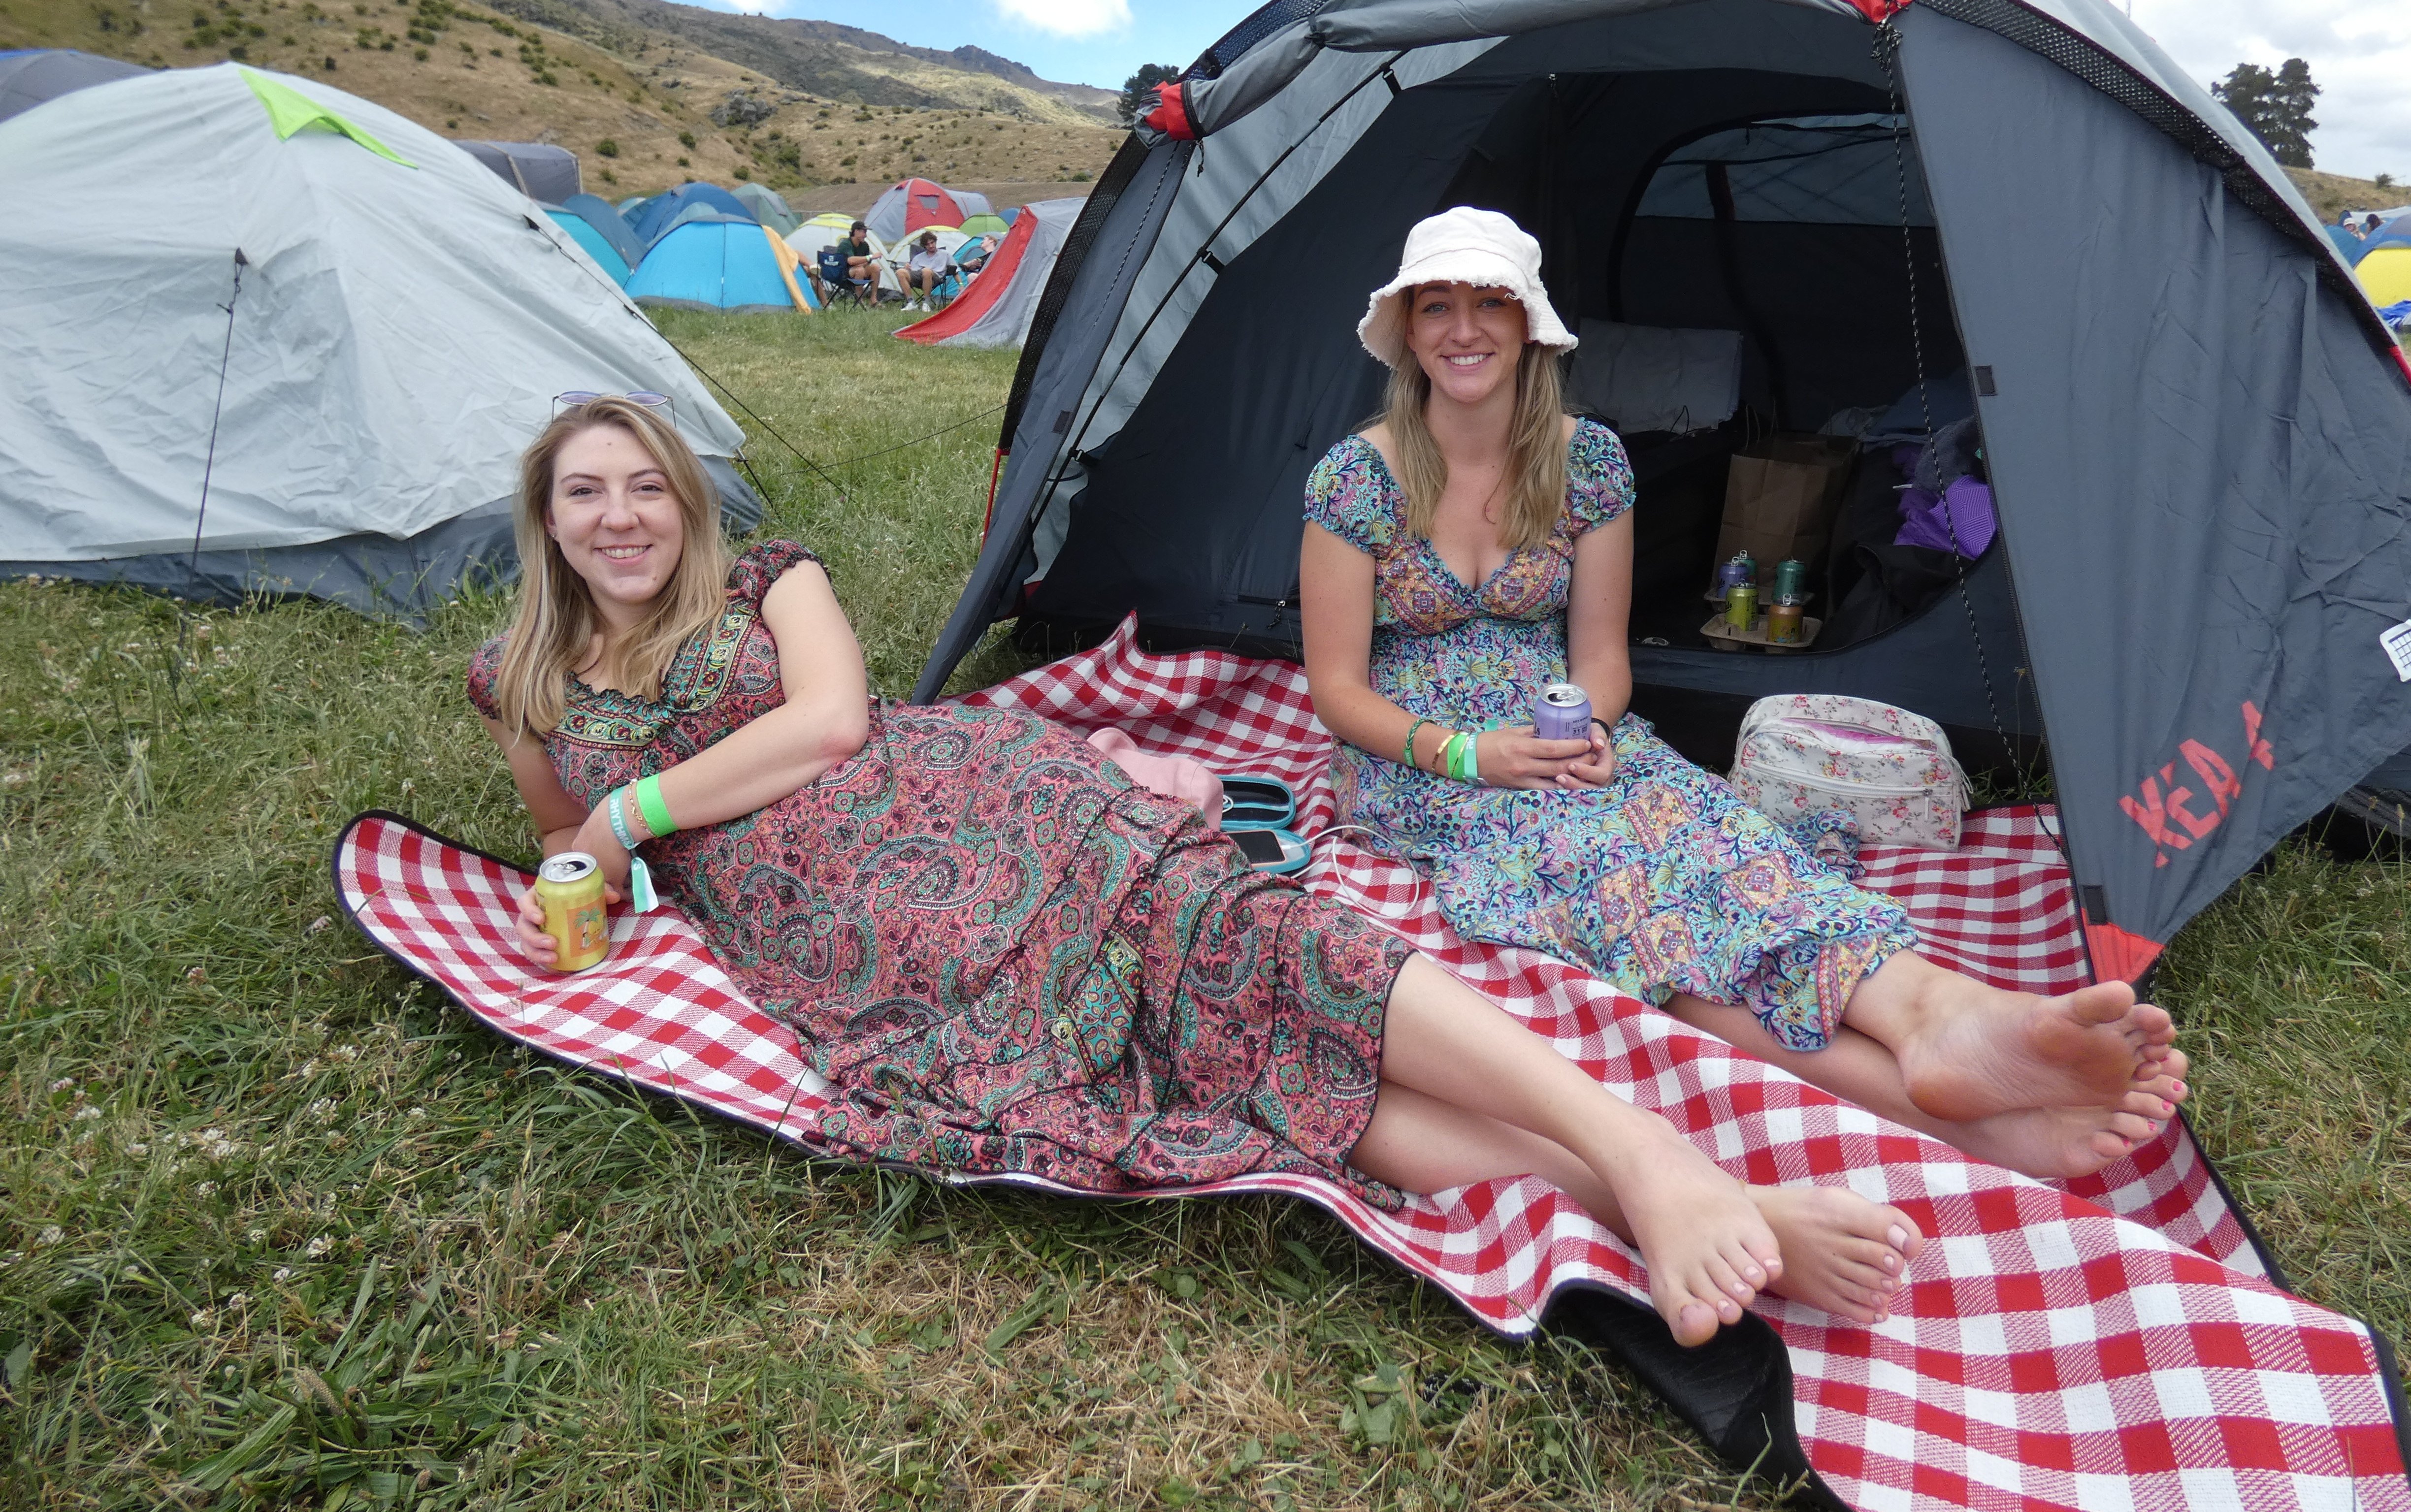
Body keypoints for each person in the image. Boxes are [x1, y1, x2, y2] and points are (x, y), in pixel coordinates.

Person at [473, 394, 1928, 1347]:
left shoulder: (764, 579)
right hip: (840, 924)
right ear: (549, 515)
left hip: (956, 804)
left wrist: (635, 813)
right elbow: (563, 842)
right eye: (587, 493)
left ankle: (1648, 1154)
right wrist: (588, 866)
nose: (621, 517)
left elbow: (835, 721)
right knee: (1224, 1075)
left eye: (645, 486)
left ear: (684, 500)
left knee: (1239, 936)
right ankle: (1657, 1199)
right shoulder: (523, 680)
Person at [1296, 208, 2188, 1183]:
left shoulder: (1586, 462)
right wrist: (1471, 755)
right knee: (1625, 894)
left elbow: (1601, 657)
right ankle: (1950, 1107)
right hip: (1420, 761)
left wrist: (1588, 727)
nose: (1462, 329)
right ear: (1409, 329)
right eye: (1437, 306)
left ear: (1528, 327)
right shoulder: (1358, 479)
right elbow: (1336, 691)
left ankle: (1942, 1016)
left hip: (1561, 731)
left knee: (1720, 836)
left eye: (1488, 303)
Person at [902, 230, 952, 311]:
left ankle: (927, 303)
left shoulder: (945, 254)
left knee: (927, 271)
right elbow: (913, 270)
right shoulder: (918, 257)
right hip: (920, 278)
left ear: (936, 242)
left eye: (932, 243)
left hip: (936, 279)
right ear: (924, 246)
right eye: (928, 245)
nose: (931, 246)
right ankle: (911, 303)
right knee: (901, 272)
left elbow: (955, 270)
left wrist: (961, 285)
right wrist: (907, 268)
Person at [843, 221, 882, 303]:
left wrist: (864, 261)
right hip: (844, 273)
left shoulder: (865, 245)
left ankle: (874, 300)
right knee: (859, 270)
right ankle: (860, 300)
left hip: (860, 270)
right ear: (857, 231)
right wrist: (871, 257)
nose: (866, 236)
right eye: (864, 232)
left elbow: (867, 262)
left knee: (876, 267)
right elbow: (851, 261)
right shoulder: (846, 244)